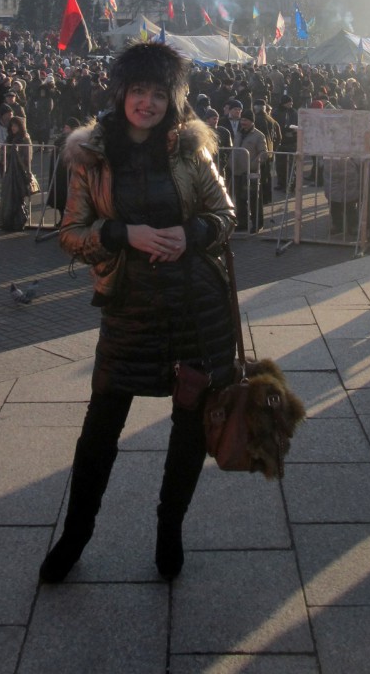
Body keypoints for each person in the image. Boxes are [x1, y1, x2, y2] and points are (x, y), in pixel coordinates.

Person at [43, 42, 235, 584]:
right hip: (131, 307)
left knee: (190, 426)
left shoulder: (191, 150)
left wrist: (191, 233)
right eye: (137, 91)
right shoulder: (93, 155)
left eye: (157, 93)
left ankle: (169, 529)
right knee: (100, 427)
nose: (146, 103)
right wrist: (122, 233)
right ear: (121, 93)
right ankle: (75, 535)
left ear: (171, 100)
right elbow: (70, 235)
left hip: (198, 307)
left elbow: (225, 214)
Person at [0, 109, 33, 231]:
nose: (13, 128)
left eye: (16, 126)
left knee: (18, 197)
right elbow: (4, 155)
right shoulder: (9, 139)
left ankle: (19, 222)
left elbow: (28, 157)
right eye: (12, 126)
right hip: (10, 171)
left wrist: (25, 170)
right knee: (8, 197)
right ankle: (9, 222)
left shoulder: (24, 139)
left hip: (20, 172)